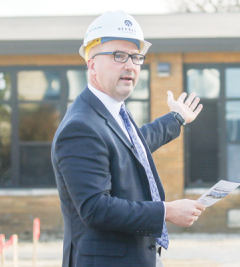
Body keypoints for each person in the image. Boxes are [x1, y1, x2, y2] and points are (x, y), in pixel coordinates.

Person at [51, 10, 206, 267]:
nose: (130, 65)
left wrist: (176, 118)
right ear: (91, 64)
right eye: (118, 55)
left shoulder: (113, 112)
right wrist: (166, 211)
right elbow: (95, 208)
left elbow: (134, 146)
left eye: (136, 57)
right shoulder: (80, 126)